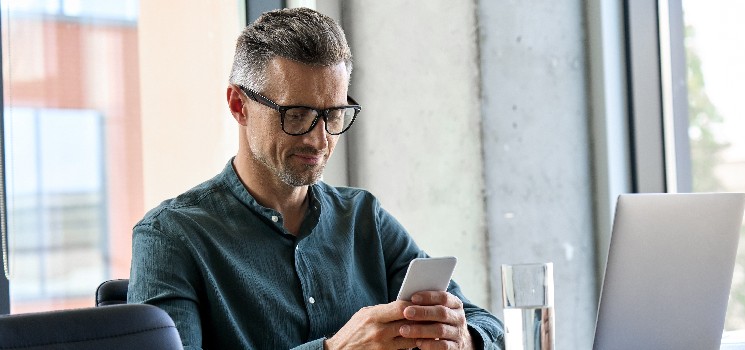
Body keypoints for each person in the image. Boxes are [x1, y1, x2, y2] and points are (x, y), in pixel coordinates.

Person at [128, 7, 504, 350]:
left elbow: (489, 327)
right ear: (238, 105)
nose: (320, 138)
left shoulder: (363, 217)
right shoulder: (171, 237)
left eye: (334, 115)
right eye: (296, 115)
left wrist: (461, 337)